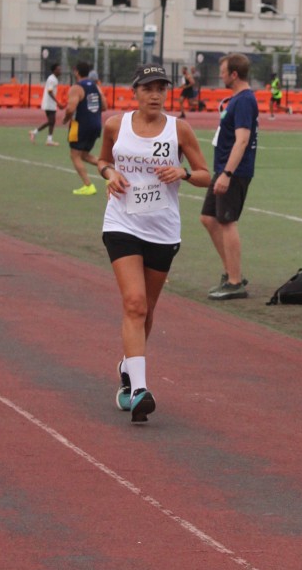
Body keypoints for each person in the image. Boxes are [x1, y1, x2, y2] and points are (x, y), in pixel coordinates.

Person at [97, 63, 211, 423]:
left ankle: (129, 366)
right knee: (134, 303)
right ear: (135, 92)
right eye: (147, 88)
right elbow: (102, 160)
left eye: (161, 88)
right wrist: (110, 173)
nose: (155, 95)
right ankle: (139, 390)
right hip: (121, 223)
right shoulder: (116, 125)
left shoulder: (180, 130)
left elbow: (206, 175)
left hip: (162, 230)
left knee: (145, 309)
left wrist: (183, 172)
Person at [201, 52, 259, 299]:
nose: (220, 75)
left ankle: (235, 282)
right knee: (208, 218)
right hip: (224, 168)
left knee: (227, 221)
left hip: (233, 171)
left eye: (223, 71)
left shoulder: (244, 100)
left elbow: (243, 139)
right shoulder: (237, 99)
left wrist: (227, 173)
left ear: (234, 74)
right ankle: (231, 271)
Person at [65, 61, 104, 195]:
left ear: (76, 72)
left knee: (74, 155)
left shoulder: (76, 87)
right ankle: (111, 169)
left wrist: (66, 119)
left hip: (81, 125)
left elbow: (71, 108)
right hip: (96, 124)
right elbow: (104, 105)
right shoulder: (95, 86)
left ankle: (88, 186)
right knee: (85, 155)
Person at [31, 62, 62, 144]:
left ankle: (49, 139)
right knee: (51, 121)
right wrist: (58, 102)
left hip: (51, 103)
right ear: (54, 70)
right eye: (58, 69)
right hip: (49, 103)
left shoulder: (54, 78)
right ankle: (35, 132)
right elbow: (50, 91)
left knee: (52, 121)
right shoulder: (52, 79)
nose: (60, 71)